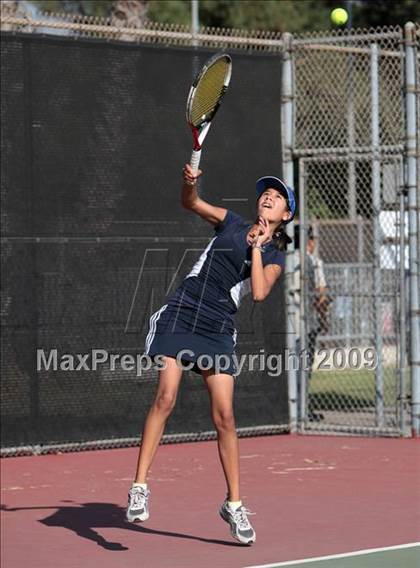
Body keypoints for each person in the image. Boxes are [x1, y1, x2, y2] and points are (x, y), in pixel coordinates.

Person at [126, 164, 296, 545]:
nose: (268, 196)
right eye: (265, 192)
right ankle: (139, 487)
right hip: (184, 311)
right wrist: (189, 183)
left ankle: (234, 504)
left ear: (285, 215)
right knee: (166, 397)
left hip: (218, 326)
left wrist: (257, 248)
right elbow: (192, 203)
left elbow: (260, 291)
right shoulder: (231, 221)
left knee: (225, 417)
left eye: (277, 196)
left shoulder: (276, 257)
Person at [294, 225, 331, 421]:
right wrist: (324, 318)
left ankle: (294, 409)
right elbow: (321, 295)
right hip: (307, 322)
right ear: (309, 241)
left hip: (289, 322)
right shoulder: (314, 262)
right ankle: (301, 410)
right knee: (304, 366)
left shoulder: (287, 259)